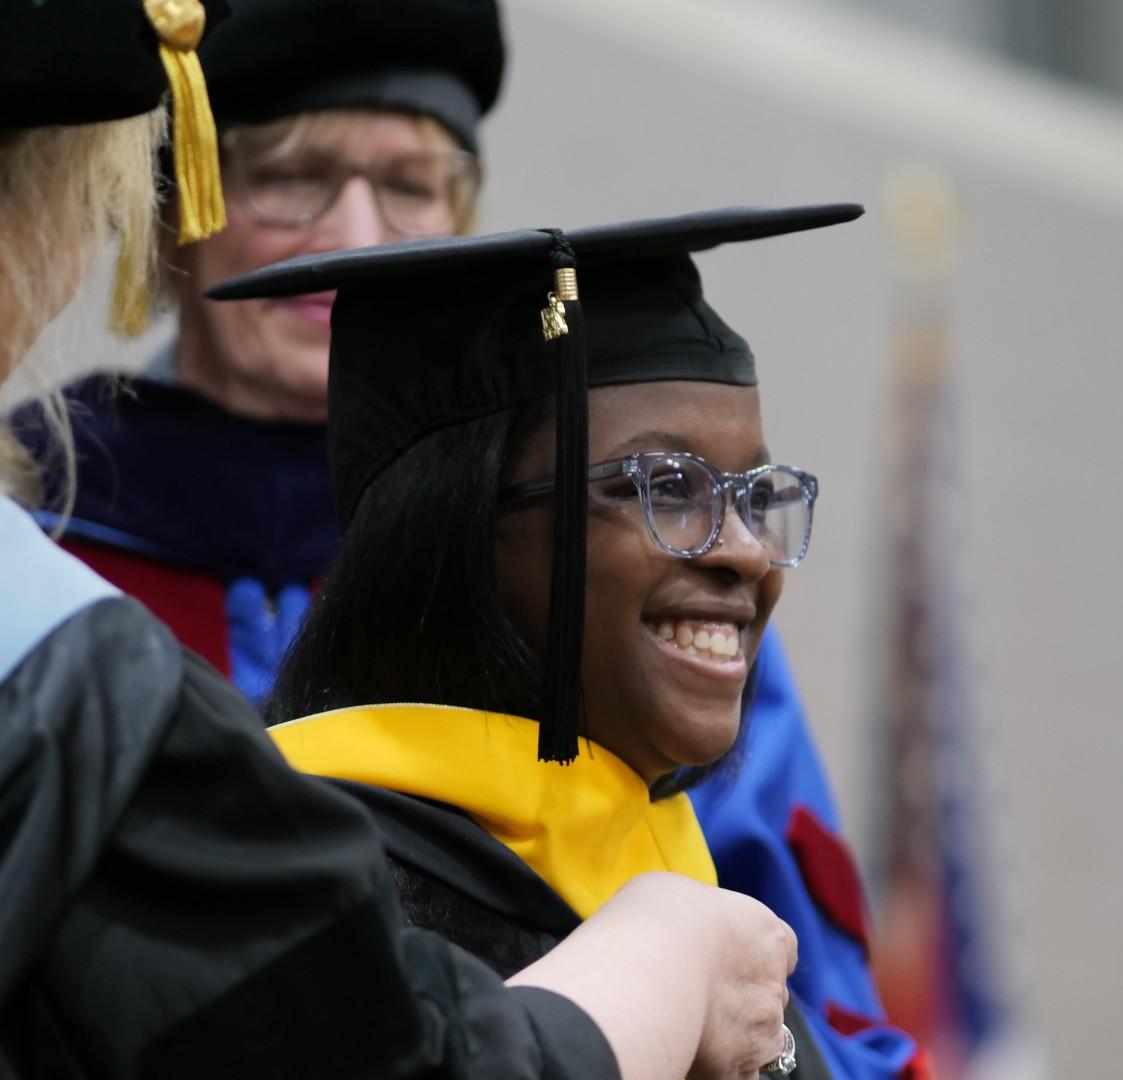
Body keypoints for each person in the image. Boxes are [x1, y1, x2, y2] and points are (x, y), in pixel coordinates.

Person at [11, 6, 909, 1069]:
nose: (353, 236)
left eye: (406, 185)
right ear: (181, 206)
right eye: (292, 177)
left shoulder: (640, 597)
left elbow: (831, 998)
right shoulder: (48, 551)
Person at [210, 205, 877, 1079]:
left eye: (757, 495)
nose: (746, 551)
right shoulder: (288, 889)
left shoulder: (702, 909)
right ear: (458, 528)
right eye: (667, 487)